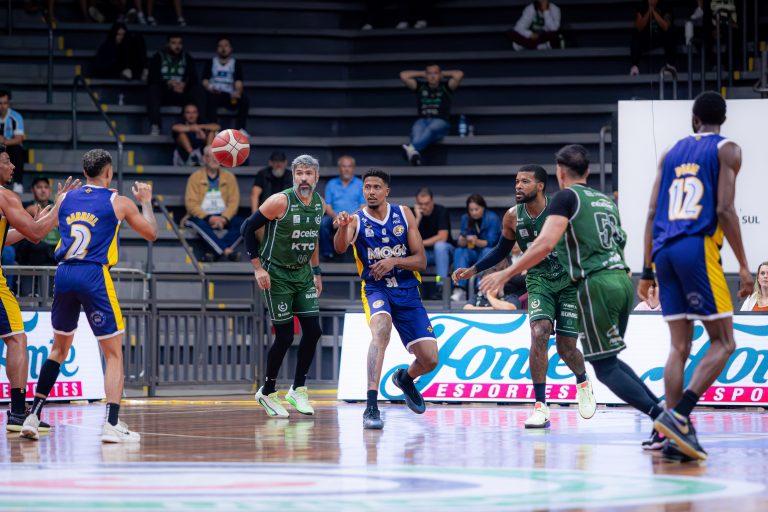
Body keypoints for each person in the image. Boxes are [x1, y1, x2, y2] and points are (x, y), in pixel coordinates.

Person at [479, 145, 665, 448]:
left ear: (558, 173)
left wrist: (506, 273)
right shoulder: (605, 200)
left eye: (525, 181)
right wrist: (646, 274)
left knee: (603, 366)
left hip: (592, 283)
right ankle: (664, 419)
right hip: (621, 278)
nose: (519, 185)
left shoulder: (565, 198)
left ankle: (666, 418)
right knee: (601, 358)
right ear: (588, 170)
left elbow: (544, 245)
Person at [640, 92, 752, 461]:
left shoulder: (670, 152)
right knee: (724, 342)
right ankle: (678, 418)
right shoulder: (727, 149)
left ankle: (668, 435)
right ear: (723, 119)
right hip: (696, 247)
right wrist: (744, 265)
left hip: (664, 251)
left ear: (694, 118)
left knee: (679, 347)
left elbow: (652, 212)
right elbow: (724, 209)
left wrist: (646, 269)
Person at [19, 149, 158, 443]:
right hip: (94, 274)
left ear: (84, 173)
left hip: (64, 273)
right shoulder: (118, 202)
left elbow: (37, 232)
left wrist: (51, 208)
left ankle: (33, 415)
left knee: (58, 349)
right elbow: (151, 233)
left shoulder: (65, 198)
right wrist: (146, 202)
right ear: (108, 172)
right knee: (113, 353)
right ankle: (111, 423)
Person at [453, 165, 596, 427]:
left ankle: (583, 381)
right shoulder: (511, 217)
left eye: (525, 181)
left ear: (540, 186)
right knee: (539, 332)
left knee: (566, 348)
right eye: (517, 181)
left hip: (568, 282)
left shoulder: (560, 210)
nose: (518, 186)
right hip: (539, 280)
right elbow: (501, 250)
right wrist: (473, 270)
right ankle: (540, 406)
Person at [334, 169, 439, 430]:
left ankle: (405, 378)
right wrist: (343, 228)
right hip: (376, 288)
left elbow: (421, 261)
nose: (371, 192)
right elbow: (339, 247)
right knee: (381, 331)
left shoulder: (404, 214)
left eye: (376, 187)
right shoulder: (356, 220)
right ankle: (371, 406)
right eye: (367, 187)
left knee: (430, 360)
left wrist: (394, 261)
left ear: (386, 191)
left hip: (407, 289)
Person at [240, 155, 324, 418]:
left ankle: (298, 389)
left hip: (303, 274)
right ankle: (267, 391)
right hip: (276, 274)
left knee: (314, 331)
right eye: (299, 173)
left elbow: (313, 238)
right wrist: (258, 268)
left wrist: (317, 271)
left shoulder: (319, 203)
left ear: (317, 177)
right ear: (293, 176)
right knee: (285, 336)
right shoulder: (280, 201)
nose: (304, 178)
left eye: (308, 173)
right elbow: (247, 228)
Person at [0, 146, 76, 434]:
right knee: (17, 339)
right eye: (7, 161)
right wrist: (59, 207)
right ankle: (19, 412)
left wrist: (33, 222)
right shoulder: (6, 196)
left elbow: (8, 237)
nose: (13, 167)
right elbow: (36, 235)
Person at [183, 146, 244, 262]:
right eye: (210, 156)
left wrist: (224, 219)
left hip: (223, 216)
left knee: (244, 224)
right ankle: (227, 251)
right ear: (204, 159)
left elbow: (233, 202)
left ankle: (214, 253)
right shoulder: (195, 177)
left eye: (217, 156)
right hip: (202, 216)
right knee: (196, 222)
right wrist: (209, 218)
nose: (214, 159)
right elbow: (191, 204)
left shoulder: (229, 177)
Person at [399, 64, 464, 166]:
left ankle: (412, 148)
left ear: (440, 75)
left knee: (431, 129)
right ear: (426, 75)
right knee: (416, 131)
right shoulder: (421, 87)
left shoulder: (446, 87)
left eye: (435, 73)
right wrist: (422, 73)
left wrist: (442, 74)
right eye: (429, 74)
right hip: (423, 120)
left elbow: (459, 74)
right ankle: (414, 153)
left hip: (440, 121)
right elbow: (403, 75)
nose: (432, 76)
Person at [147, 34, 203, 135]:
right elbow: (152, 78)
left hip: (181, 93)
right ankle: (155, 125)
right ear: (167, 44)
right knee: (153, 89)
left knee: (198, 90)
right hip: (165, 93)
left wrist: (184, 85)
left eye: (179, 43)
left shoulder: (187, 57)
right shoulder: (158, 57)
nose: (177, 46)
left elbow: (194, 78)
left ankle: (202, 125)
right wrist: (167, 83)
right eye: (173, 43)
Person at [451, 193, 501, 302]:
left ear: (483, 207)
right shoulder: (465, 218)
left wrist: (475, 241)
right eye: (471, 210)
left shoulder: (492, 218)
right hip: (472, 252)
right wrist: (462, 241)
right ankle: (459, 288)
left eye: (476, 209)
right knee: (460, 251)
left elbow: (492, 243)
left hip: (486, 251)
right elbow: (462, 238)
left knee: (487, 251)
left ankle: (481, 287)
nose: (473, 212)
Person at [320, 155, 364, 260]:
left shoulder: (360, 184)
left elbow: (363, 206)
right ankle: (327, 253)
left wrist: (348, 218)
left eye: (349, 166)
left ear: (353, 168)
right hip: (334, 217)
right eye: (344, 166)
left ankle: (362, 255)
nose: (346, 169)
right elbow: (327, 205)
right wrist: (336, 217)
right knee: (322, 222)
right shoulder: (331, 184)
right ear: (339, 168)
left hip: (355, 217)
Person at [202, 37, 249, 135]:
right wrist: (210, 88)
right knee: (208, 99)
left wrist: (237, 92)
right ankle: (214, 129)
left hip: (229, 96)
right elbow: (205, 81)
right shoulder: (211, 62)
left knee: (244, 100)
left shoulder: (235, 63)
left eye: (226, 46)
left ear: (231, 48)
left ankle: (240, 129)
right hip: (214, 94)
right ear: (217, 49)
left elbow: (239, 82)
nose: (223, 49)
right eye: (220, 46)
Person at [414, 187, 453, 299]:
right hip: (426, 254)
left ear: (432, 201)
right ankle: (410, 289)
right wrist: (418, 218)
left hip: (446, 252)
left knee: (439, 246)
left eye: (426, 203)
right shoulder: (414, 214)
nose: (424, 207)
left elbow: (442, 237)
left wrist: (420, 243)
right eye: (421, 204)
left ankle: (441, 287)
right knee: (407, 252)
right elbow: (409, 238)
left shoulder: (441, 211)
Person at [16, 177, 59, 267]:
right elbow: (34, 211)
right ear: (32, 190)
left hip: (54, 245)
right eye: (39, 187)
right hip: (33, 245)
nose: (43, 190)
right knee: (39, 246)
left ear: (50, 190)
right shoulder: (25, 205)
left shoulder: (55, 205)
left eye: (46, 187)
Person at [630, 0, 676, 76]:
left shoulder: (665, 4)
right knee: (635, 34)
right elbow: (639, 27)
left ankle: (670, 65)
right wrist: (648, 12)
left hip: (661, 36)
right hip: (646, 37)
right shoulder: (642, 5)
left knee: (671, 33)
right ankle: (635, 67)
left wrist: (654, 12)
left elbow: (666, 26)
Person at [0, 90, 26, 190]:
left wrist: (4, 141)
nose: (2, 106)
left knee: (17, 150)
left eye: (5, 103)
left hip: (10, 147)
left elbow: (19, 139)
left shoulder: (16, 117)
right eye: (0, 103)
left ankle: (18, 183)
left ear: (8, 103)